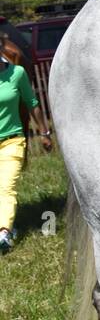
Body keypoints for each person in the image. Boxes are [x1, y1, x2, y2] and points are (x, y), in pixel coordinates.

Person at [0, 42, 48, 254]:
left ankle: (3, 233)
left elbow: (32, 103)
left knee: (5, 188)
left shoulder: (17, 73)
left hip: (13, 141)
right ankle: (10, 226)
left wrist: (44, 132)